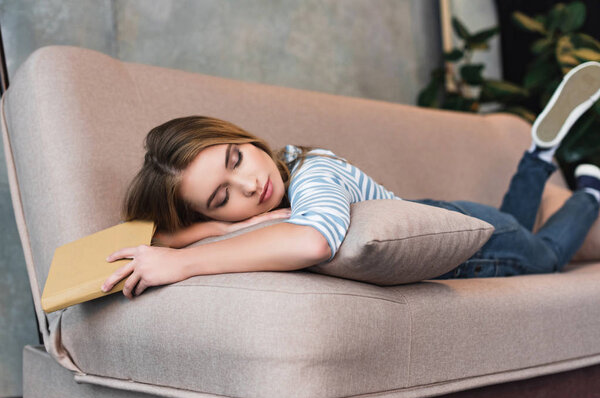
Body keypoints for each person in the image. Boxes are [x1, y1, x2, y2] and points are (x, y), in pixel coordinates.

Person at [101, 61, 600, 299]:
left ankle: (590, 190)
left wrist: (185, 265)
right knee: (514, 219)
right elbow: (166, 234)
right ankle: (539, 154)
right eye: (221, 197)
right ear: (207, 213)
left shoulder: (314, 173)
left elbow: (314, 242)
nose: (250, 185)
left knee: (548, 256)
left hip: (476, 246)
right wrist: (213, 232)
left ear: (243, 139)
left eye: (236, 159)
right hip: (453, 215)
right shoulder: (271, 199)